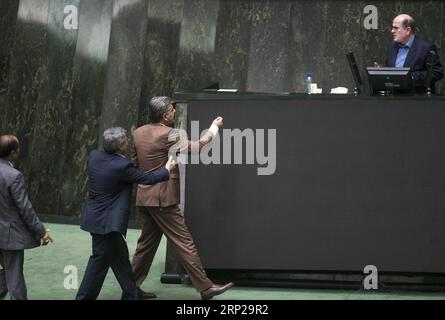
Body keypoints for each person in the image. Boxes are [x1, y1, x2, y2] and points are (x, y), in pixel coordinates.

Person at [130, 96, 234, 300]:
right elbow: (198, 147)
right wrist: (214, 127)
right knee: (184, 242)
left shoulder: (138, 132)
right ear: (164, 115)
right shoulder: (170, 134)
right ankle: (205, 288)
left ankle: (130, 287)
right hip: (163, 199)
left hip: (145, 197)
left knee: (145, 246)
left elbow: (135, 165)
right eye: (171, 110)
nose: (174, 112)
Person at [75, 127, 175, 300]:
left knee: (120, 259)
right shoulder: (121, 166)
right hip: (106, 223)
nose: (128, 143)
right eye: (125, 141)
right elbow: (147, 179)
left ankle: (131, 293)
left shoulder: (94, 156)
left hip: (96, 218)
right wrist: (166, 169)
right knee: (98, 262)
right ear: (120, 145)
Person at [0, 134, 53, 300]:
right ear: (13, 152)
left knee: (3, 274)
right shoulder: (14, 176)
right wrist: (41, 232)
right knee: (15, 279)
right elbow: (25, 208)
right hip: (9, 236)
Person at [384, 14, 443, 93]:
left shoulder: (425, 47)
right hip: (393, 97)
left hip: (416, 98)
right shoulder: (392, 46)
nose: (392, 31)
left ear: (408, 30)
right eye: (392, 27)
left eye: (396, 28)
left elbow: (436, 72)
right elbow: (388, 68)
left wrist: (410, 77)